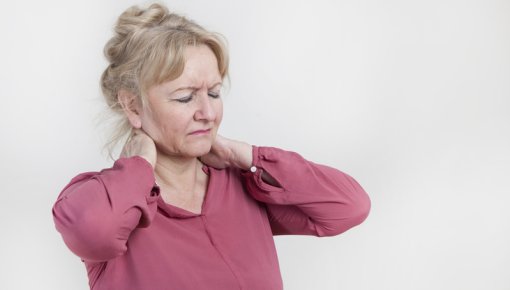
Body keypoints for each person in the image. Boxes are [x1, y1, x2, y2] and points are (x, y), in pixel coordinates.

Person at [52, 3, 371, 290]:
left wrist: (243, 155)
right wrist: (139, 166)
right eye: (185, 97)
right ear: (133, 107)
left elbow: (348, 206)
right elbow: (94, 232)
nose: (207, 113)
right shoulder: (103, 198)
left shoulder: (244, 187)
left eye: (215, 93)